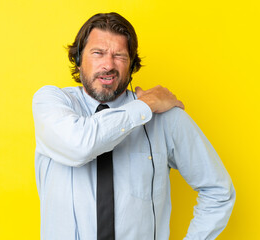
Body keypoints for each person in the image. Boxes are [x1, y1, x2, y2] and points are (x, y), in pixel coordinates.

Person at [32, 12, 235, 240]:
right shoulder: (50, 103)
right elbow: (80, 145)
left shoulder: (166, 119)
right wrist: (144, 106)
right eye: (98, 53)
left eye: (119, 56)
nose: (108, 64)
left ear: (132, 65)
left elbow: (219, 192)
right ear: (79, 59)